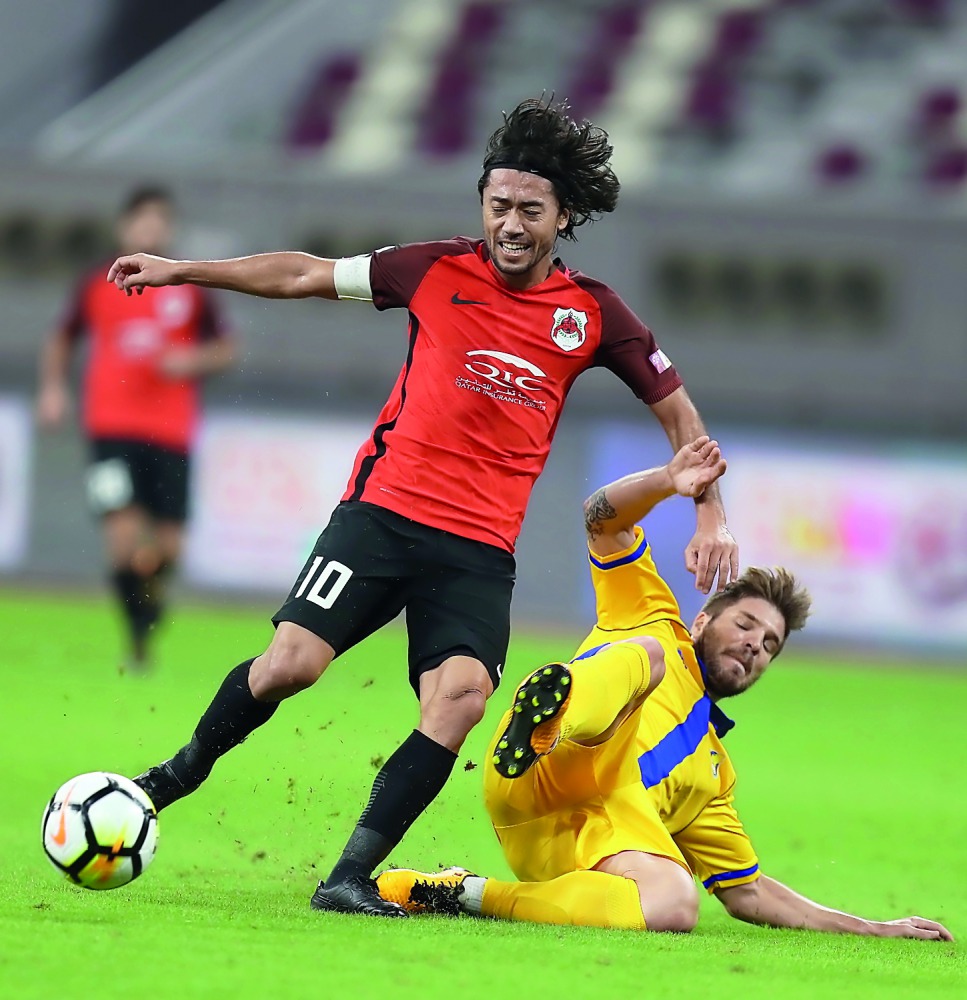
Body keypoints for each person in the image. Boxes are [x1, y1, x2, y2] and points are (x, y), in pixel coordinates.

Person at [106, 98, 739, 917]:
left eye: (530, 210)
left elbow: (683, 424)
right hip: (381, 516)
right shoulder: (432, 268)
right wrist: (183, 270)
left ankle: (348, 875)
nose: (510, 224)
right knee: (288, 667)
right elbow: (303, 273)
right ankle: (172, 777)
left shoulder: (594, 316)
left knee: (462, 699)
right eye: (498, 205)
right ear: (482, 203)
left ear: (564, 215)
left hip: (477, 549)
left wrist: (711, 513)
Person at [377, 438, 953, 942]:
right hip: (537, 765)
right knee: (649, 654)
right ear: (703, 621)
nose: (757, 645)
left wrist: (873, 927)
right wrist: (667, 482)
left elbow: (748, 894)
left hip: (562, 847)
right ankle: (551, 715)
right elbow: (601, 518)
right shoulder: (655, 616)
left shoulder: (711, 774)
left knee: (676, 902)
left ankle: (457, 893)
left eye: (771, 645)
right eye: (746, 625)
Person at [37, 186, 235, 669]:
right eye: (140, 221)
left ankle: (148, 600)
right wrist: (53, 388)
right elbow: (62, 338)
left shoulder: (187, 287)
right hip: (110, 427)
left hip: (171, 431)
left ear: (168, 230)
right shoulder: (96, 282)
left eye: (158, 221)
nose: (149, 230)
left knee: (168, 548)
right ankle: (138, 640)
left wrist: (192, 360)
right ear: (124, 228)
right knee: (123, 537)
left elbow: (226, 348)